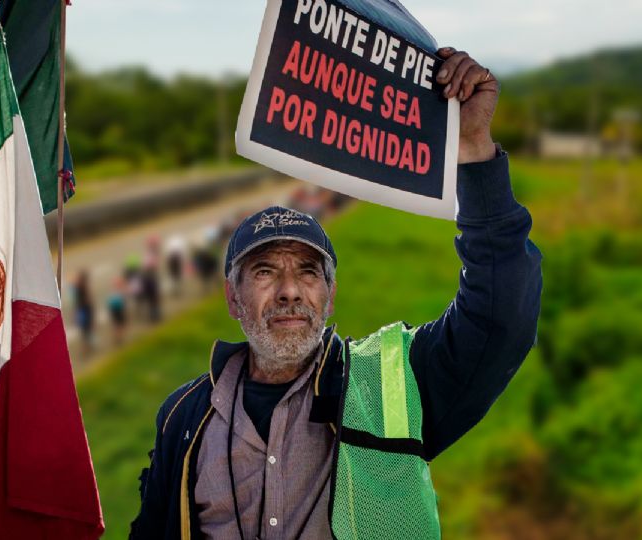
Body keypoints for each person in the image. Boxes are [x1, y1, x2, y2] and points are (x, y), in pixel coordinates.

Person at [129, 48, 543, 539]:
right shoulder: (183, 417)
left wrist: (474, 149)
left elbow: (499, 319)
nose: (288, 292)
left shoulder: (393, 387)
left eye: (308, 273)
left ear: (330, 294)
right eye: (264, 272)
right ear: (232, 298)